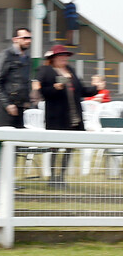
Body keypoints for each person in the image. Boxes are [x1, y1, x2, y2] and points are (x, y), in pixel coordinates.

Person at [38, 44, 97, 189]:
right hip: (56, 117)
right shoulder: (46, 71)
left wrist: (96, 88)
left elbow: (82, 90)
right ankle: (52, 177)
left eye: (65, 56)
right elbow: (43, 92)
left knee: (69, 148)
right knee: (55, 148)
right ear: (54, 58)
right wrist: (55, 88)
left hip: (73, 116)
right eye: (61, 56)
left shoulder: (71, 71)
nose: (64, 58)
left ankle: (61, 176)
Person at [0, 27, 32, 128]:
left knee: (20, 141)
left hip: (20, 107)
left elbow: (26, 81)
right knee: (5, 141)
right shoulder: (6, 55)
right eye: (25, 38)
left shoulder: (27, 58)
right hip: (8, 108)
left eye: (29, 38)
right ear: (15, 39)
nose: (28, 41)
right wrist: (7, 104)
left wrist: (27, 100)